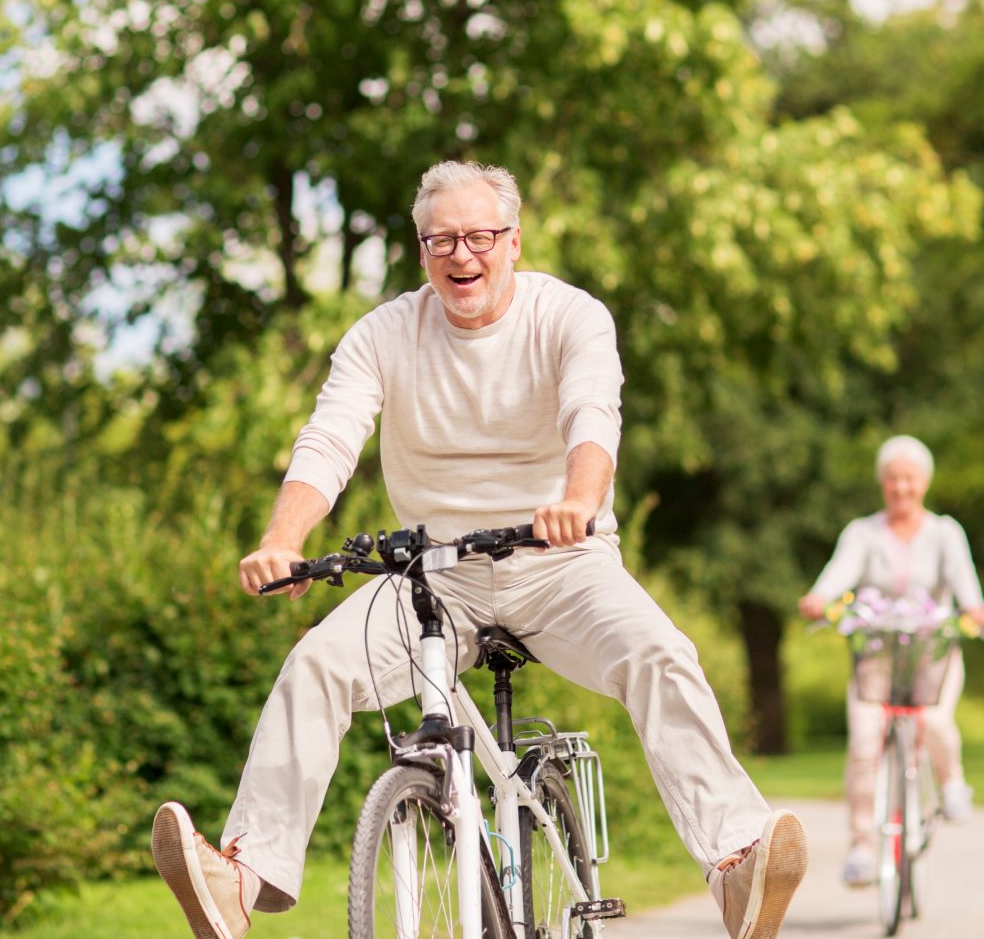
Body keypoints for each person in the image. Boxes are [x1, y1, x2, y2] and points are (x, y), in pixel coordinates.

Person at [150, 160, 808, 939]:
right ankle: (240, 877)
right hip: (433, 577)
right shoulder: (384, 334)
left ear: (514, 242)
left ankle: (736, 865)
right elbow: (329, 439)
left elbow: (593, 416)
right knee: (317, 666)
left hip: (561, 563)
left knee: (660, 652)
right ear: (421, 250)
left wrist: (578, 501)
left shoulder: (569, 316)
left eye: (479, 236)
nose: (462, 255)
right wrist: (283, 540)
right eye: (441, 241)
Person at [798, 434, 982, 888]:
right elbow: (840, 572)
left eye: (910, 479)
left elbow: (964, 583)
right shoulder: (864, 532)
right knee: (864, 742)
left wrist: (973, 609)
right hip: (877, 656)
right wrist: (820, 598)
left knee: (934, 721)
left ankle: (952, 781)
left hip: (932, 653)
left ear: (924, 482)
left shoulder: (945, 532)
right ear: (883, 483)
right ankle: (861, 847)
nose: (902, 488)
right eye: (893, 479)